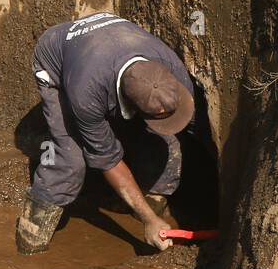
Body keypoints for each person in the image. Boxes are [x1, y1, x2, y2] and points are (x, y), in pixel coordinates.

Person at [16, 13, 197, 255]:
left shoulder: (172, 68)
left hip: (110, 45)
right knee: (70, 158)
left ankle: (149, 200)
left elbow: (189, 124)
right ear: (129, 104)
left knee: (167, 139)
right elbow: (107, 159)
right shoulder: (85, 93)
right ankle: (32, 233)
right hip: (57, 60)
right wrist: (149, 220)